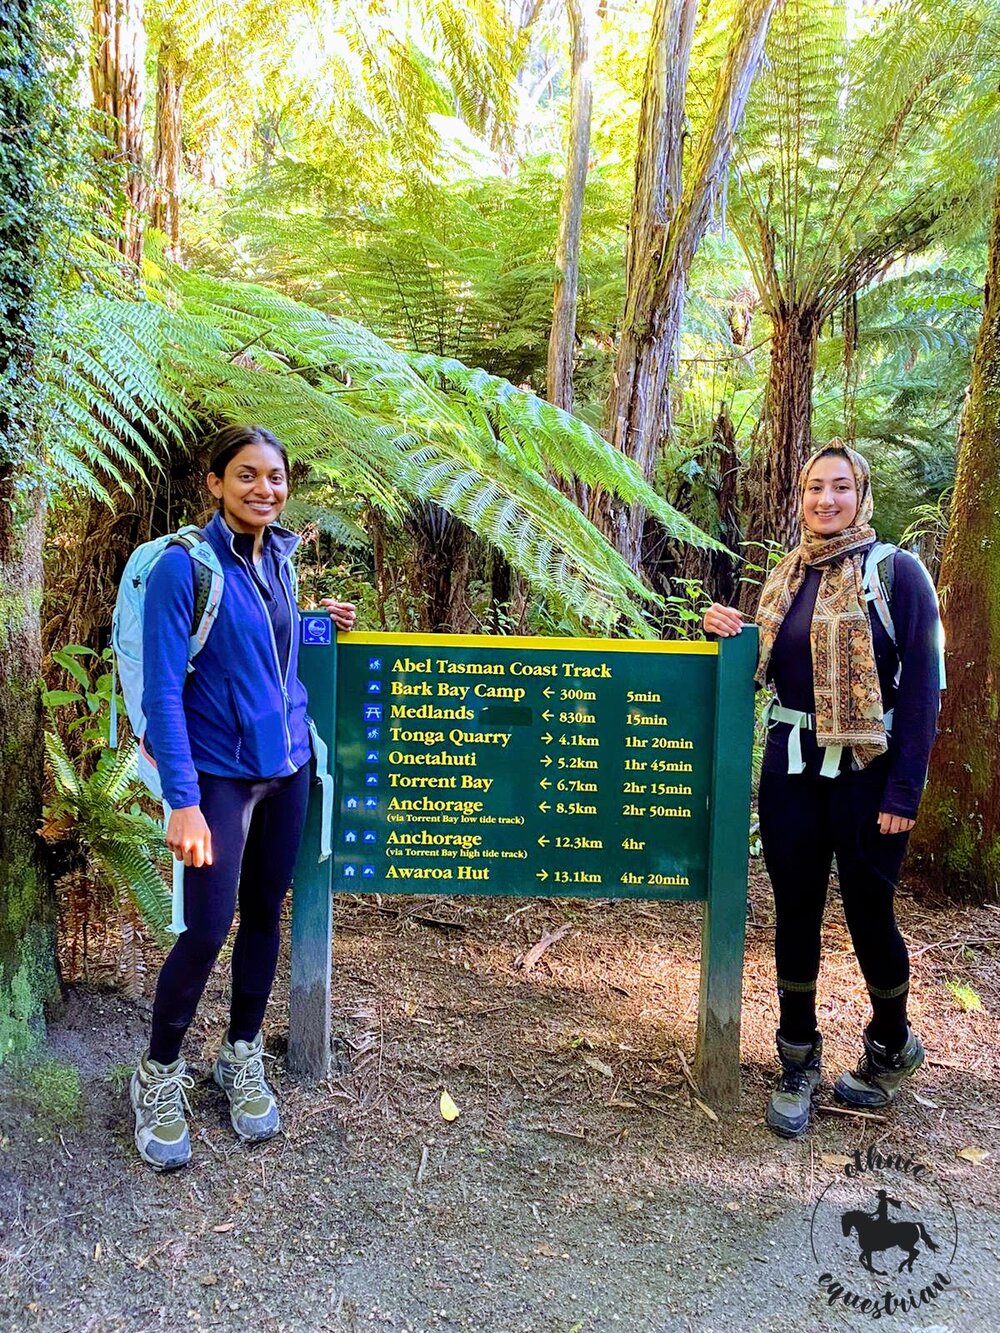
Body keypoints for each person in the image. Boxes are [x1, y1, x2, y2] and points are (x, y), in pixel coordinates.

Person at [129, 425, 356, 1170]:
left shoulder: (279, 558)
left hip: (284, 764)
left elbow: (271, 646)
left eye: (276, 477)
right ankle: (159, 1074)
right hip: (217, 774)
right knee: (205, 927)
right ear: (214, 482)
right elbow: (165, 690)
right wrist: (184, 801)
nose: (265, 489)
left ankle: (240, 1054)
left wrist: (317, 616)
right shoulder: (181, 570)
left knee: (264, 915)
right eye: (248, 475)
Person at [703, 441, 941, 1138]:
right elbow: (767, 655)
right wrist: (729, 631)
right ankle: (797, 1058)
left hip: (869, 771)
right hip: (792, 765)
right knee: (796, 909)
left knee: (870, 913)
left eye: (839, 487)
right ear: (801, 496)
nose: (825, 500)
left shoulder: (897, 574)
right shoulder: (789, 572)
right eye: (814, 488)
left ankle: (892, 1042)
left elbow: (924, 690)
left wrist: (904, 792)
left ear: (860, 494)